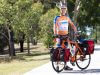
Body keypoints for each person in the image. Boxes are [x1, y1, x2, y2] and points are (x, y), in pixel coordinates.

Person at [53, 5, 77, 70]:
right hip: (59, 36)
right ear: (60, 10)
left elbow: (72, 24)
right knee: (58, 50)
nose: (63, 10)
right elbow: (54, 26)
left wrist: (75, 30)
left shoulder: (67, 18)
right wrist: (55, 34)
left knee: (69, 49)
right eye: (62, 9)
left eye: (64, 9)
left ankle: (67, 64)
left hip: (66, 36)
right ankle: (57, 65)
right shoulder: (57, 18)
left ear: (65, 10)